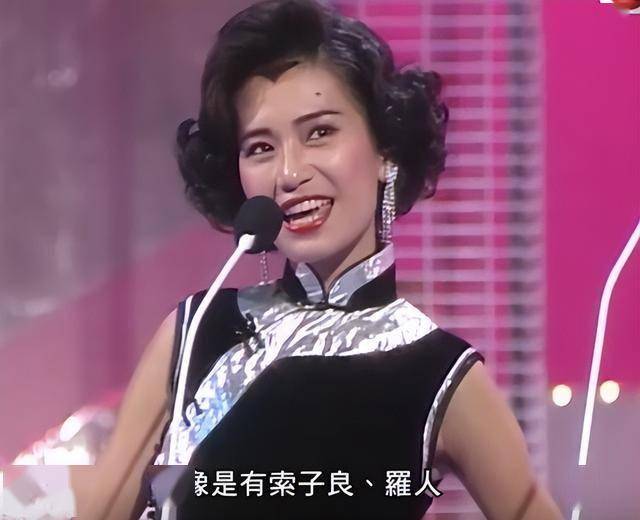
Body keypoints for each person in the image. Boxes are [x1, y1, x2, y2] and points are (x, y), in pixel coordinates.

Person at [77, 1, 563, 519]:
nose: (289, 173)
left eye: (319, 133)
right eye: (260, 147)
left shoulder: (440, 373)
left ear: (385, 151)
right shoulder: (197, 331)